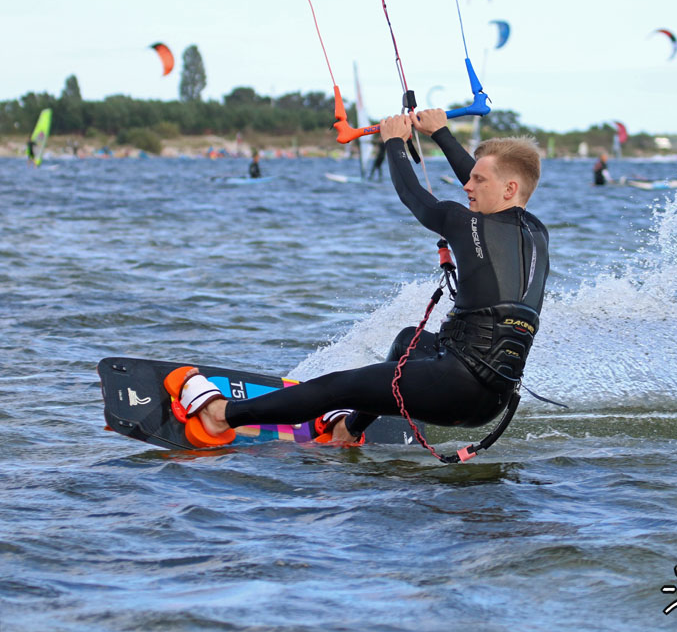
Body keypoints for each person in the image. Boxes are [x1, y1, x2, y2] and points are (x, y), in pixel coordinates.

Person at [164, 108, 550, 449]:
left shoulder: (462, 221)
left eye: (477, 181)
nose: (467, 185)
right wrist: (439, 133)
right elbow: (491, 180)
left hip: (456, 389)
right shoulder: (536, 233)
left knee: (338, 387)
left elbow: (413, 194)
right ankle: (350, 429)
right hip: (493, 401)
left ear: (508, 188)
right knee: (406, 343)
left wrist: (395, 142)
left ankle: (222, 415)